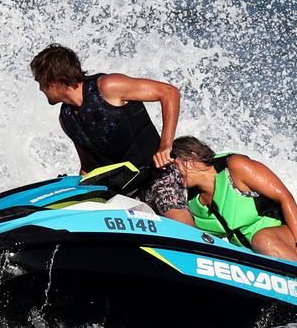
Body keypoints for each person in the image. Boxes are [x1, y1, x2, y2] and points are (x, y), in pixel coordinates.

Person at [30, 44, 193, 224]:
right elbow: (88, 167)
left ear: (55, 79)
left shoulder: (108, 86)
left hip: (157, 173)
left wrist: (165, 145)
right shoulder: (67, 118)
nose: (40, 89)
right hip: (124, 189)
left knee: (170, 210)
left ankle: (198, 247)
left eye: (40, 82)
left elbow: (169, 92)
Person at [171, 135, 297, 265]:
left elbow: (285, 197)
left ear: (192, 157)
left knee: (262, 239)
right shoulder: (191, 202)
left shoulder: (235, 166)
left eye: (174, 166)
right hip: (255, 259)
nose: (172, 175)